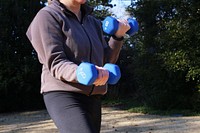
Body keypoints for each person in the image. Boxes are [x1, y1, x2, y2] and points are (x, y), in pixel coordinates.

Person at [26, 0, 130, 132]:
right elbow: (56, 62)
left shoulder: (92, 22)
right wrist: (81, 73)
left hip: (93, 96)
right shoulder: (47, 16)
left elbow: (105, 62)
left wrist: (117, 36)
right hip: (64, 93)